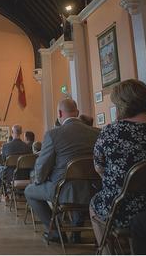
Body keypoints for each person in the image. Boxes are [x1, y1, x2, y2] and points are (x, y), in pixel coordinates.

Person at [90, 80, 146, 248]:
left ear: (121, 104)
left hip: (122, 208)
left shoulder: (111, 132)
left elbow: (98, 167)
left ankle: (107, 252)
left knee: (94, 204)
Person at [24, 98, 100, 243]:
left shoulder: (53, 134)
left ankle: (55, 231)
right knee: (78, 184)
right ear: (77, 112)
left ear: (59, 113)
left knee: (29, 191)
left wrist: (39, 181)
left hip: (62, 189)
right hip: (94, 189)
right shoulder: (97, 133)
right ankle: (76, 231)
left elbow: (42, 167)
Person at [0, 125, 31, 192]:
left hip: (9, 175)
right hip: (25, 175)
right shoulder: (27, 147)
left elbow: (4, 161)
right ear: (21, 132)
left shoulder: (6, 146)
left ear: (12, 132)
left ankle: (4, 195)